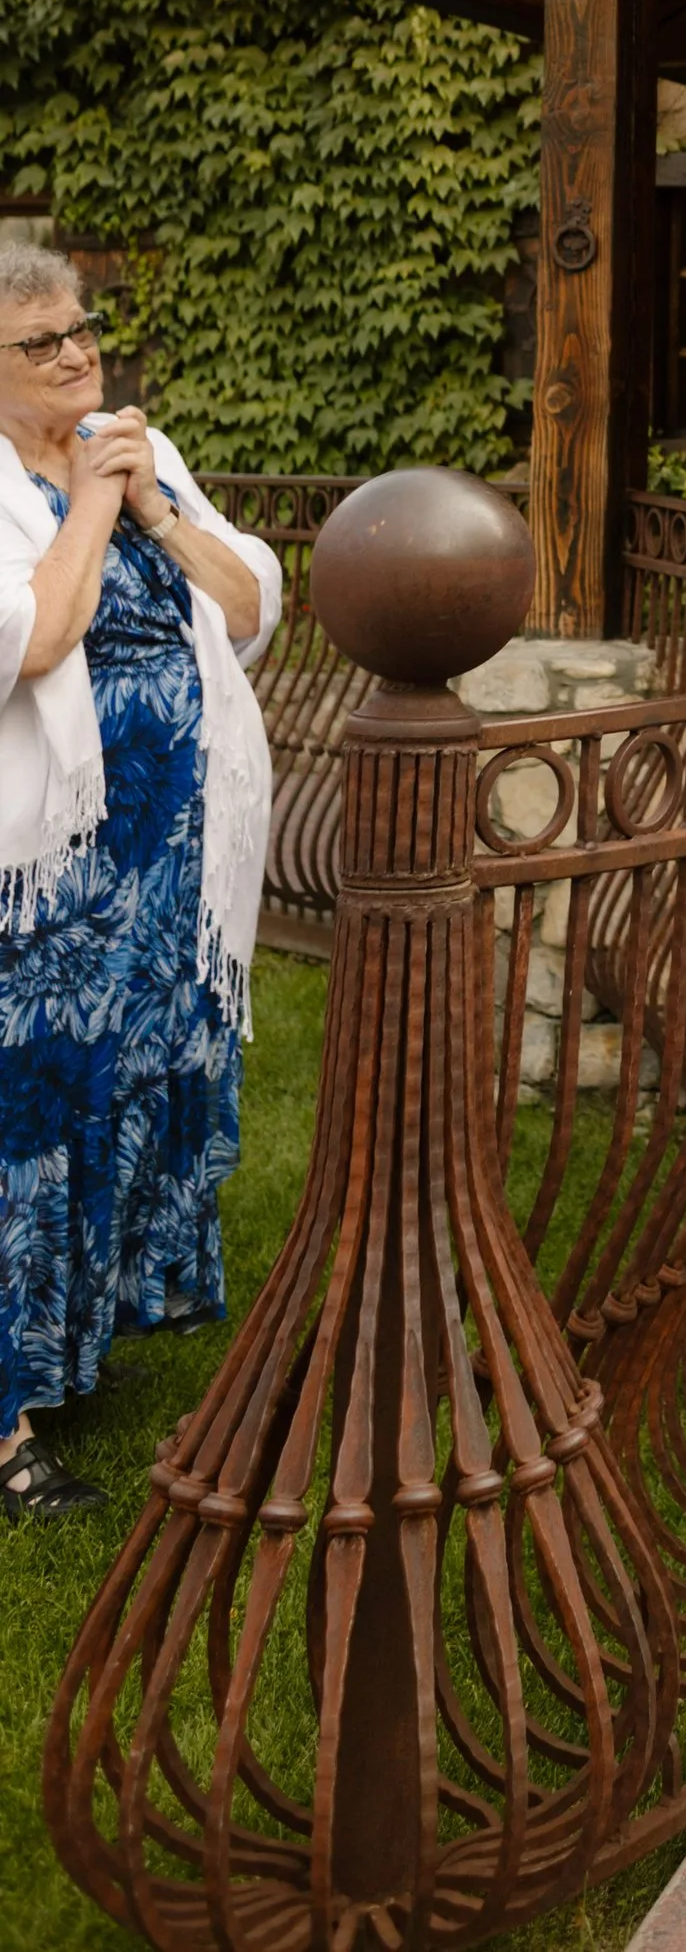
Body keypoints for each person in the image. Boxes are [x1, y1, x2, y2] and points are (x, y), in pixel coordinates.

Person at [0, 247, 278, 1523]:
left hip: (162, 870)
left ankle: (74, 1343)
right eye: (40, 341)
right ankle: (6, 1428)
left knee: (124, 1093)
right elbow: (34, 638)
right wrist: (92, 503)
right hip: (40, 882)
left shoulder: (139, 452)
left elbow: (249, 605)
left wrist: (155, 505)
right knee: (25, 1123)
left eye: (83, 328)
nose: (76, 353)